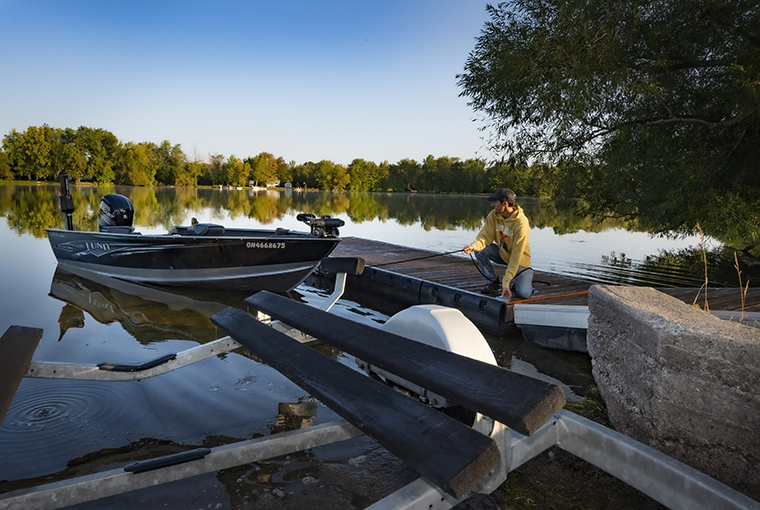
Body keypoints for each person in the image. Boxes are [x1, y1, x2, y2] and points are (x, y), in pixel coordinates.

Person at [463, 188, 534, 299]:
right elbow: (485, 236)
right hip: (502, 254)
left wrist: (506, 284)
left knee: (524, 293)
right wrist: (473, 247)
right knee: (480, 250)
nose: (493, 205)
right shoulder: (494, 215)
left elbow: (516, 257)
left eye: (495, 202)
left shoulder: (521, 223)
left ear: (504, 203)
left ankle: (525, 281)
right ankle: (492, 281)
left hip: (520, 262)